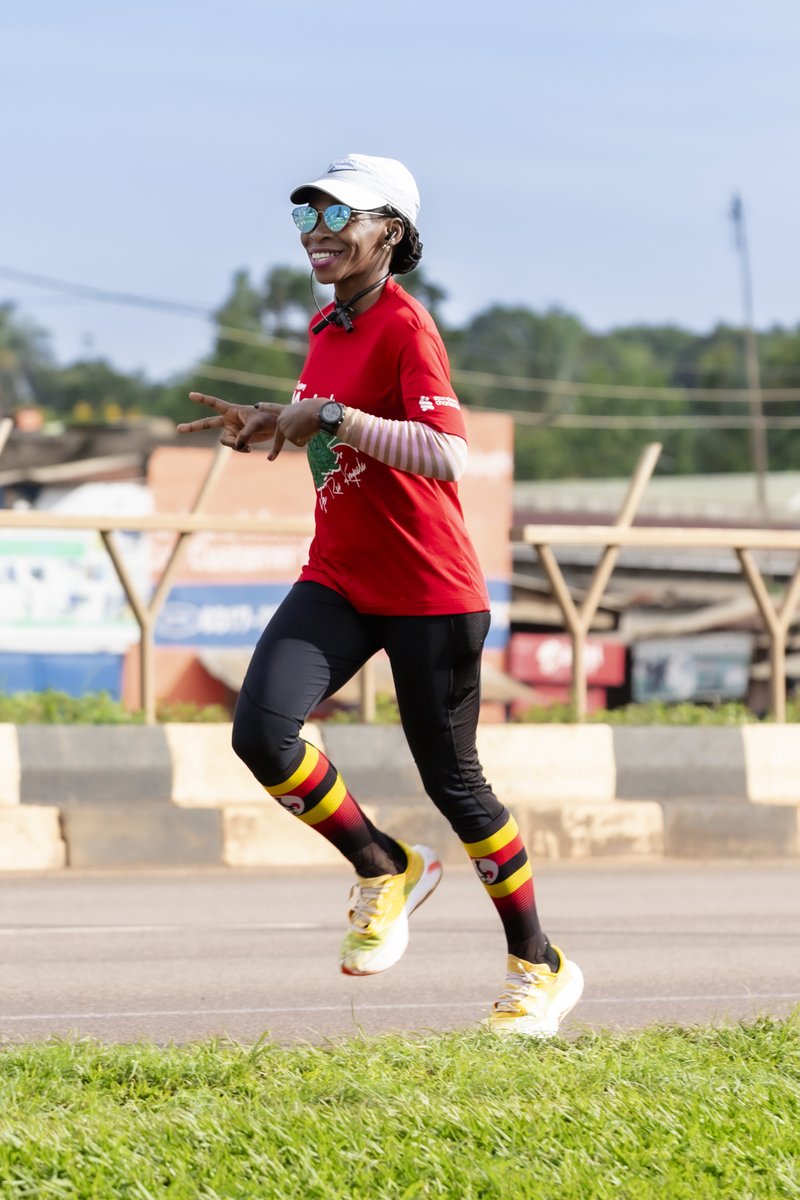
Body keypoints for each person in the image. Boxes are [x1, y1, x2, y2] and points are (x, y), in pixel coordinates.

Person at [178, 153, 583, 1037]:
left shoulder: (406, 325)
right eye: (306, 217)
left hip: (428, 588)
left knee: (457, 786)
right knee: (261, 735)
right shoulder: (327, 326)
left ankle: (539, 966)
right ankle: (384, 866)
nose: (317, 234)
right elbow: (337, 434)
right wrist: (271, 423)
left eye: (338, 217)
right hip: (339, 576)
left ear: (390, 232)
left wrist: (331, 417)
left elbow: (446, 454)